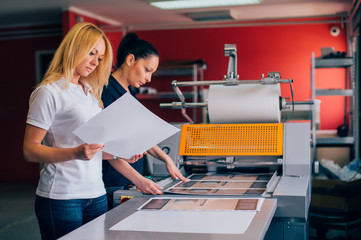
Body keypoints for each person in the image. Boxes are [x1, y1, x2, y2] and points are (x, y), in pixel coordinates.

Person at [22, 22, 145, 240]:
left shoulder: (90, 93)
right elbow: (30, 150)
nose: (95, 62)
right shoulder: (48, 92)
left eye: (99, 58)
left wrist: (119, 153)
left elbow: (93, 148)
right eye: (91, 53)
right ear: (74, 47)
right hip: (62, 197)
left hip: (96, 194)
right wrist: (75, 153)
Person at [101, 32, 188, 209]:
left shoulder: (130, 93)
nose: (149, 78)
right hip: (112, 183)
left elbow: (140, 135)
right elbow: (107, 149)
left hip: (131, 182)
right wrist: (140, 181)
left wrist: (167, 160)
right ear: (131, 60)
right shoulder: (107, 92)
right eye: (147, 70)